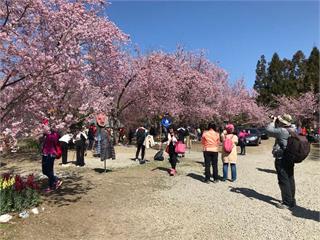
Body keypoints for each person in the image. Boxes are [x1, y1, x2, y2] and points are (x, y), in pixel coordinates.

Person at [266, 114, 296, 209]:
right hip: (290, 157)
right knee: (290, 178)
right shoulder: (293, 128)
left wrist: (273, 121)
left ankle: (287, 202)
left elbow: (268, 130)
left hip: (281, 158)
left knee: (283, 179)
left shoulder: (282, 131)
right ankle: (291, 199)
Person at [41, 126, 62, 193]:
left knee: (48, 171)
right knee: (46, 171)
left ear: (48, 130)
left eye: (44, 129)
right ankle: (54, 183)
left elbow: (55, 142)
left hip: (50, 155)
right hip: (45, 154)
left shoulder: (52, 136)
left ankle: (54, 182)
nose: (42, 130)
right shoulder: (47, 136)